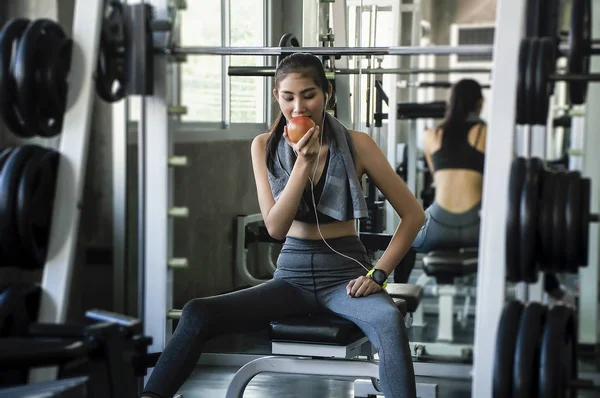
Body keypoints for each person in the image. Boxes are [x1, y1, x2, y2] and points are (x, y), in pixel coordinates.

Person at [139, 52, 425, 398]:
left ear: (327, 94)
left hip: (345, 275)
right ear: (276, 96)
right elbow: (276, 228)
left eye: (309, 95)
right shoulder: (263, 145)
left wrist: (378, 274)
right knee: (197, 312)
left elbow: (414, 215)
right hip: (291, 276)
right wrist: (302, 165)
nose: (298, 107)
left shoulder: (358, 144)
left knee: (389, 321)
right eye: (288, 97)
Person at [413, 78, 574, 305]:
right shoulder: (485, 133)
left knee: (404, 239)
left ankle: (397, 293)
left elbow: (437, 179)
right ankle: (558, 294)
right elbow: (518, 174)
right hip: (477, 227)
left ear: (451, 103)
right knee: (529, 238)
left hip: (438, 227)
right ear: (479, 104)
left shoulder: (431, 135)